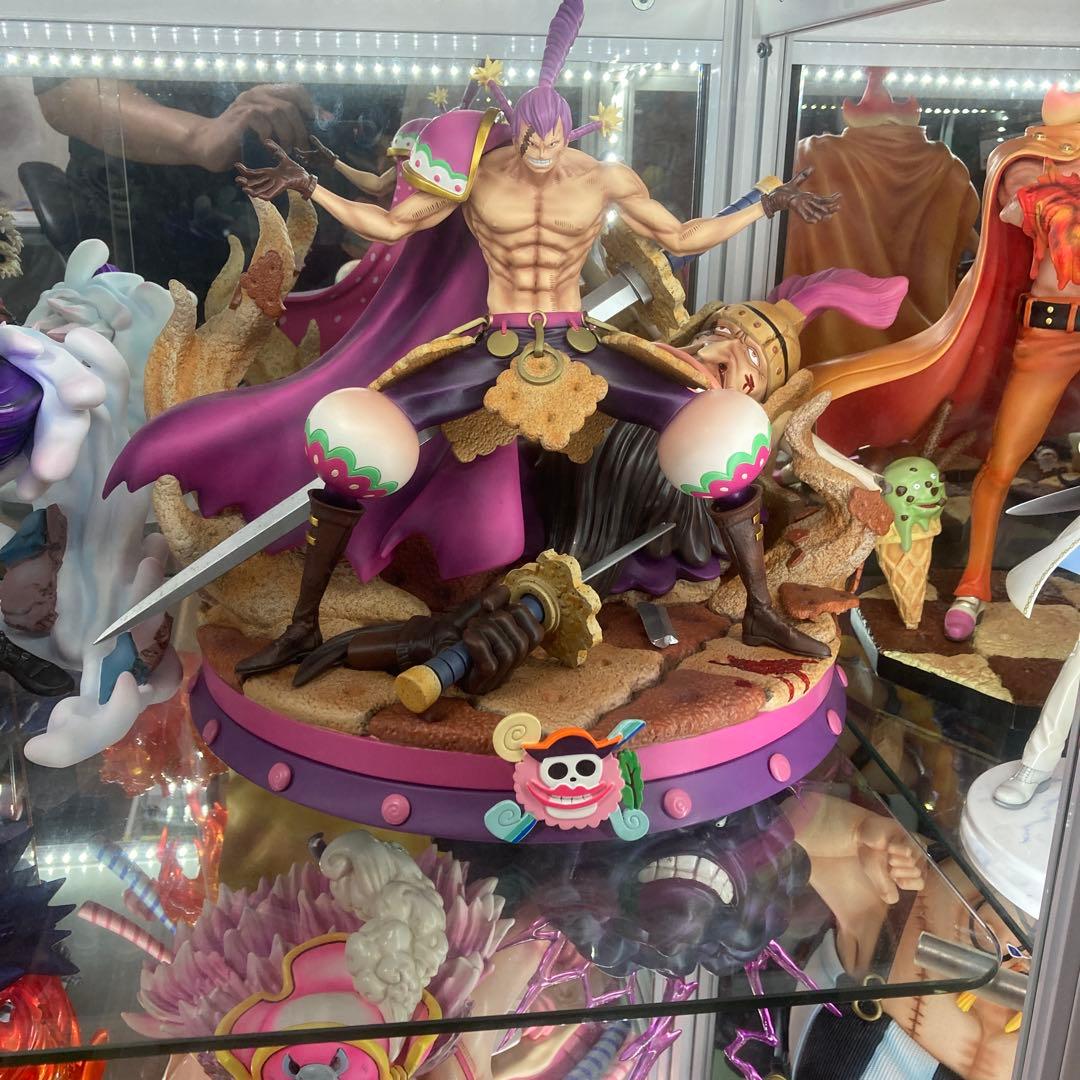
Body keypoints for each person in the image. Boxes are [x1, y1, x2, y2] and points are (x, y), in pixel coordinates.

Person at [109, 0, 840, 691]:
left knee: (713, 432)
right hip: (495, 344)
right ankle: (303, 623)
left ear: (573, 130)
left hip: (582, 343)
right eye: (532, 141)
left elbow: (683, 236)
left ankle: (760, 606)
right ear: (517, 129)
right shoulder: (477, 179)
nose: (543, 154)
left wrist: (761, 204)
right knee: (358, 436)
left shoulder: (603, 179)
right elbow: (390, 226)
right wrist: (312, 189)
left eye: (555, 141)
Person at [809, 86, 1080, 641]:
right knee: (1001, 465)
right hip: (1052, 335)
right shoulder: (1031, 167)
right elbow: (1015, 208)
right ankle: (973, 584)